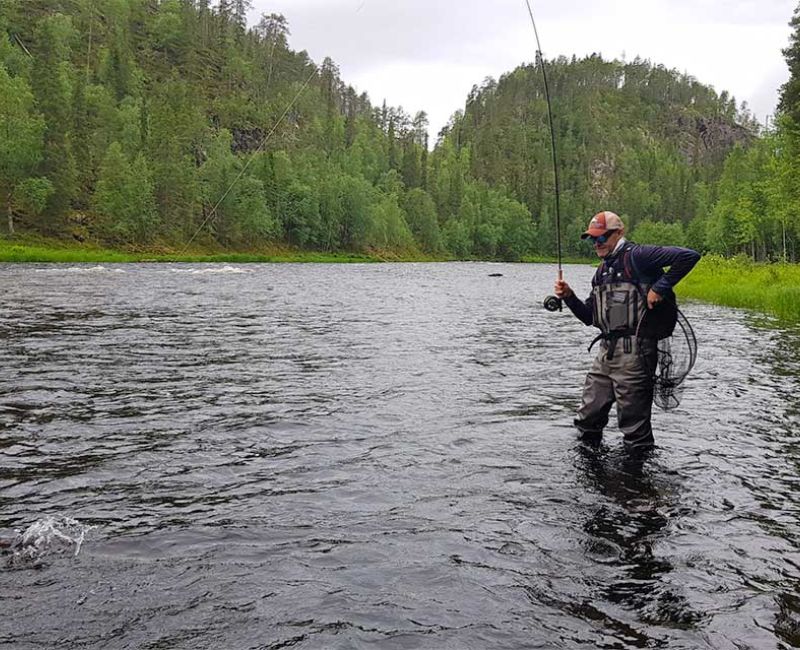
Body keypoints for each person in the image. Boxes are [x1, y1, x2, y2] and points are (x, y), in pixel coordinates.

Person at [554, 211, 700, 448]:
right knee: (587, 419)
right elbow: (589, 318)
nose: (597, 244)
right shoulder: (601, 273)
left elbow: (688, 256)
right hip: (605, 354)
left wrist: (660, 288)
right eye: (593, 239)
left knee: (634, 430)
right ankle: (588, 467)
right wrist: (569, 296)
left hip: (636, 354)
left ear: (619, 233)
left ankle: (636, 469)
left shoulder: (639, 256)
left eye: (602, 238)